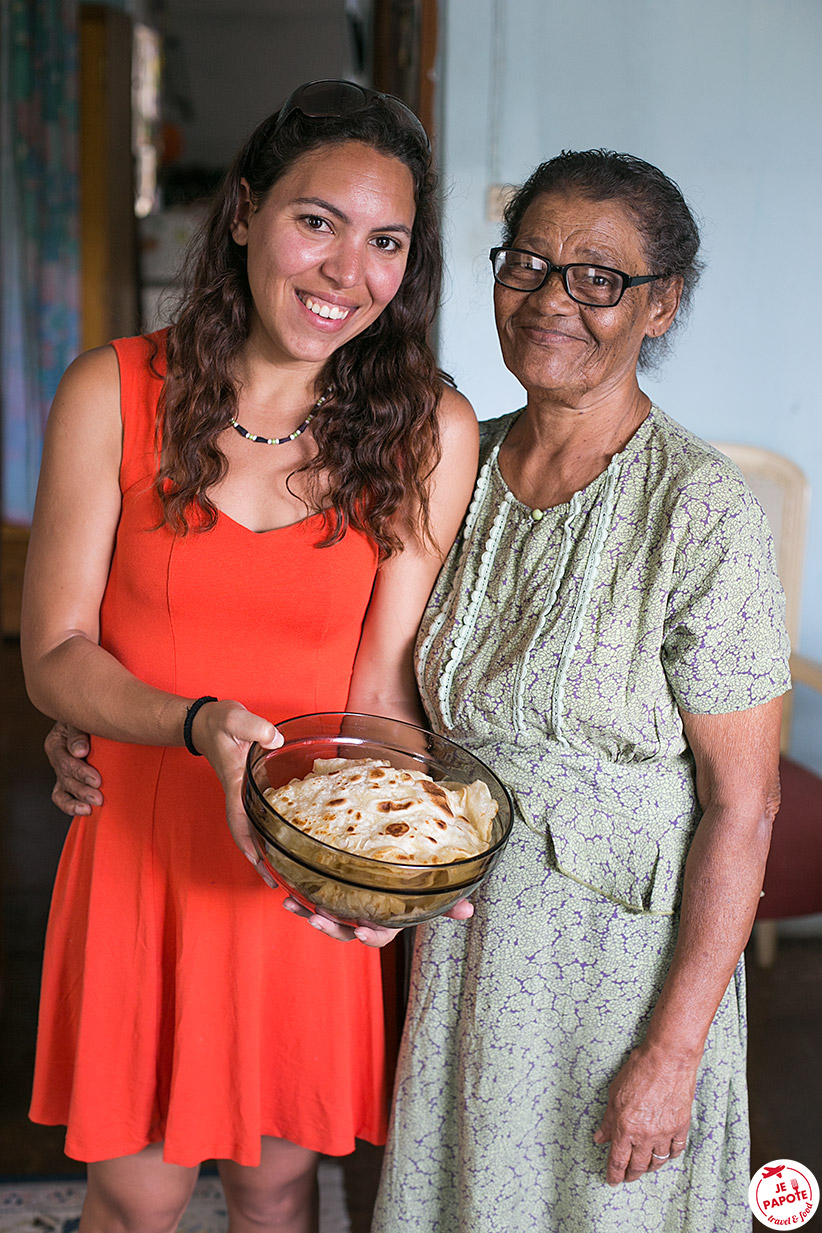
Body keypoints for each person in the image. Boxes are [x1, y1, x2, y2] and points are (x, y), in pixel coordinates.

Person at [46, 149, 790, 1231]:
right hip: (445, 948)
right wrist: (110, 721)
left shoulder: (699, 510)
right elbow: (371, 686)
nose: (552, 301)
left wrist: (674, 1051)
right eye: (528, 264)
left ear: (662, 305)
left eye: (599, 278)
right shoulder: (459, 461)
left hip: (607, 973)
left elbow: (744, 803)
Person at [21, 79, 478, 1233]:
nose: (345, 272)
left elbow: (380, 692)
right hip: (139, 841)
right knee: (135, 1193)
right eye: (315, 221)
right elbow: (56, 656)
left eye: (386, 242)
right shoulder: (111, 390)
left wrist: (393, 867)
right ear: (243, 214)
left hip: (297, 864)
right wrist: (191, 723)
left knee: (278, 1190)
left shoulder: (430, 430)